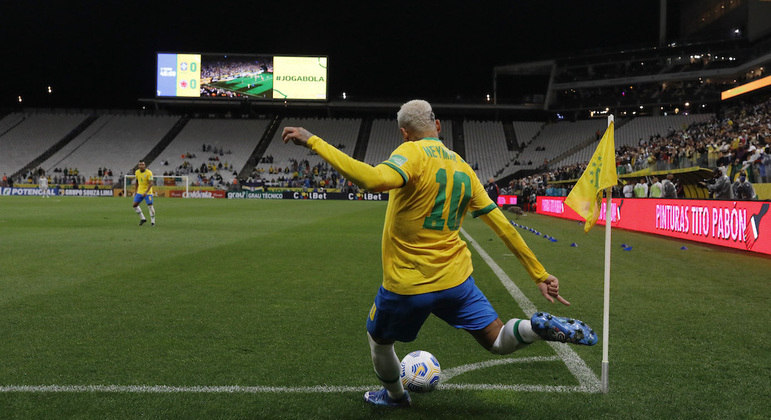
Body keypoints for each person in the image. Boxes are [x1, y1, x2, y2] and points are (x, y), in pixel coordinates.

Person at [282, 99, 596, 408]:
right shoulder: (463, 167)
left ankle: (394, 396)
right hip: (456, 282)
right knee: (498, 340)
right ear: (438, 126)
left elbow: (373, 180)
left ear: (404, 133)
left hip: (408, 284)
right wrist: (540, 274)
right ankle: (534, 327)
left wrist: (313, 141)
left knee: (379, 341)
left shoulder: (411, 153)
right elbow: (503, 226)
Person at [132, 161, 156, 226]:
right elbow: (137, 182)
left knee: (150, 205)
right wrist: (135, 191)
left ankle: (153, 222)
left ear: (145, 165)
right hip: (140, 191)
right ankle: (143, 218)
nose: (141, 166)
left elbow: (151, 183)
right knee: (134, 205)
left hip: (148, 192)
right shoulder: (137, 172)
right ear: (138, 166)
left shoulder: (149, 172)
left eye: (142, 164)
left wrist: (146, 192)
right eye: (140, 165)